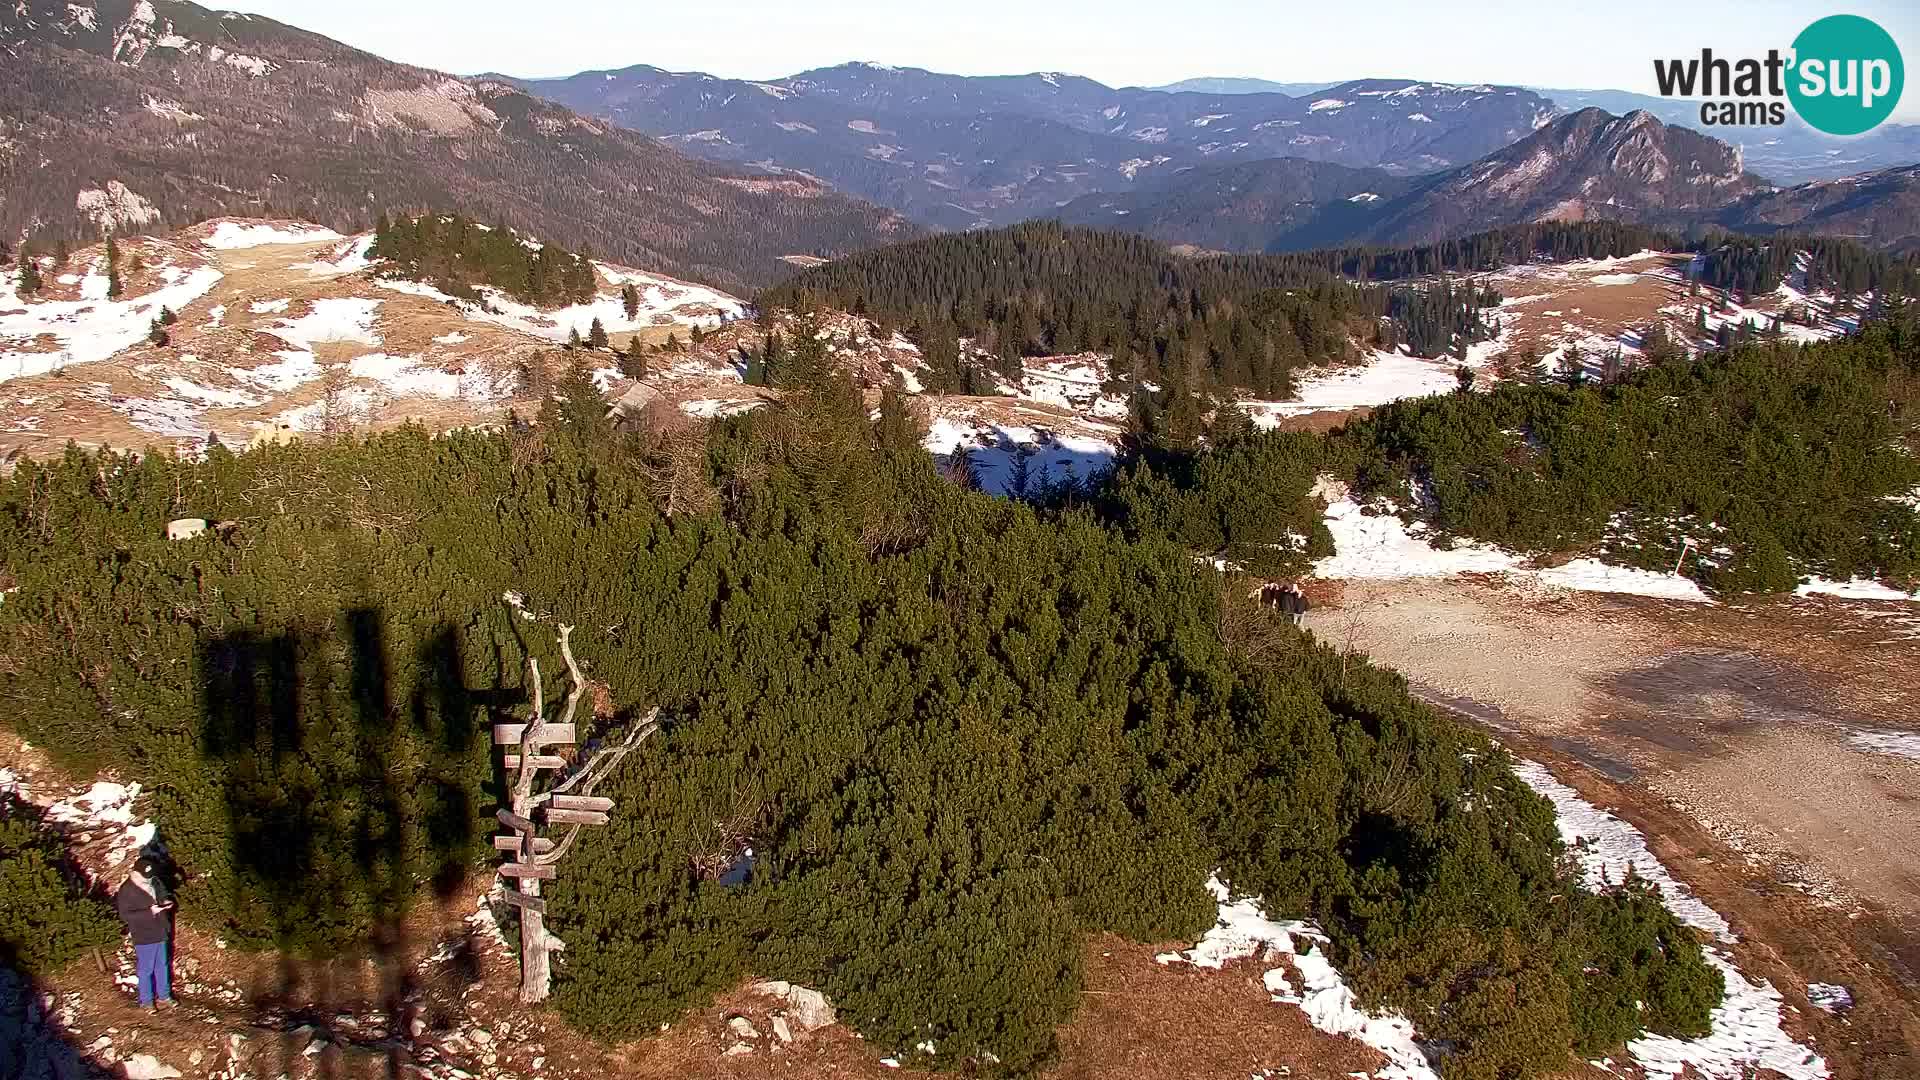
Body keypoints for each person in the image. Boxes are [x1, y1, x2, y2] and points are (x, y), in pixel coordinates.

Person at [115, 859, 175, 1011]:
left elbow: (162, 892)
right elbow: (125, 915)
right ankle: (146, 1001)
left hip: (160, 930)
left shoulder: (153, 880)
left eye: (149, 875)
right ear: (136, 872)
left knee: (162, 965)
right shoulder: (127, 889)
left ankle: (164, 996)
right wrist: (149, 912)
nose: (148, 878)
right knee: (146, 969)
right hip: (144, 935)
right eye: (145, 876)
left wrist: (166, 901)